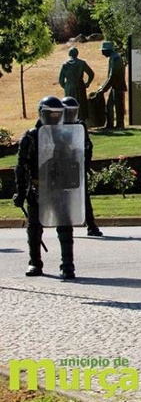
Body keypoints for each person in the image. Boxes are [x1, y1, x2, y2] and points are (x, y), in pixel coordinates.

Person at [14, 96, 79, 279]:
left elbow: (74, 161)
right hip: (38, 188)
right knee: (34, 228)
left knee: (65, 226)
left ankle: (68, 264)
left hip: (59, 187)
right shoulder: (31, 136)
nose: (53, 118)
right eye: (50, 114)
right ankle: (35, 262)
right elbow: (22, 166)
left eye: (57, 115)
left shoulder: (65, 135)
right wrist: (21, 191)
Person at [61, 97, 102, 237]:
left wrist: (85, 163)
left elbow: (88, 145)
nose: (71, 114)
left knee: (83, 196)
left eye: (74, 111)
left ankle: (91, 225)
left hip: (77, 165)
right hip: (62, 166)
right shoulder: (56, 125)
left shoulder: (80, 125)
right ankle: (65, 225)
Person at [58, 47, 94, 120]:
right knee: (81, 105)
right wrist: (87, 83)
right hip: (80, 86)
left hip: (69, 87)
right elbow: (91, 74)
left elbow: (61, 79)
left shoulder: (65, 64)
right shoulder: (82, 63)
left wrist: (65, 86)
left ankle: (70, 119)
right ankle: (81, 120)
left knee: (69, 104)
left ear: (69, 54)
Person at [97, 41, 126, 130]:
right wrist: (103, 87)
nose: (102, 53)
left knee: (118, 107)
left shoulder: (116, 58)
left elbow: (112, 76)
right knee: (109, 105)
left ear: (108, 50)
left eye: (103, 51)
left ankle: (119, 125)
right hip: (114, 86)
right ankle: (110, 124)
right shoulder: (113, 57)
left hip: (118, 86)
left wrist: (104, 89)